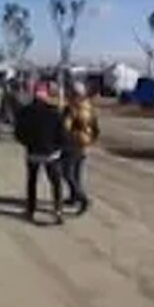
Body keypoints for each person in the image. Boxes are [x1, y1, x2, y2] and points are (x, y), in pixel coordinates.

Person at [15, 82, 67, 224]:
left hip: (33, 152)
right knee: (56, 182)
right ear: (46, 96)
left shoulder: (24, 112)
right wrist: (58, 147)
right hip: (51, 154)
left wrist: (27, 143)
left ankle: (30, 210)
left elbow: (18, 133)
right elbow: (62, 135)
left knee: (32, 182)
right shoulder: (54, 112)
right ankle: (58, 210)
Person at [61, 81, 100, 214]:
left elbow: (65, 127)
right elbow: (95, 127)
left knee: (66, 172)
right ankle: (74, 197)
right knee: (77, 172)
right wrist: (90, 139)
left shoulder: (71, 108)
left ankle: (81, 197)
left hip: (71, 143)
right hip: (84, 143)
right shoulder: (89, 107)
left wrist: (63, 140)